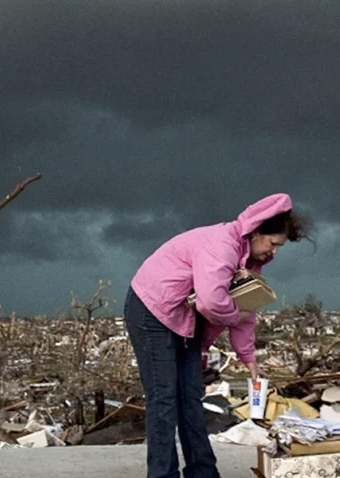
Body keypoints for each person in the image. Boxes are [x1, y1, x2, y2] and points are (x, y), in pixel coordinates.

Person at [124, 193, 309, 478]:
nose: (274, 252)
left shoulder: (248, 262)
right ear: (257, 231)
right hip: (151, 308)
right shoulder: (222, 246)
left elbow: (246, 307)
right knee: (164, 398)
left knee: (191, 396)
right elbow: (212, 302)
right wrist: (237, 315)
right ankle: (163, 474)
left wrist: (249, 360)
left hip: (182, 316)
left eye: (279, 247)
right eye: (273, 244)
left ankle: (204, 472)